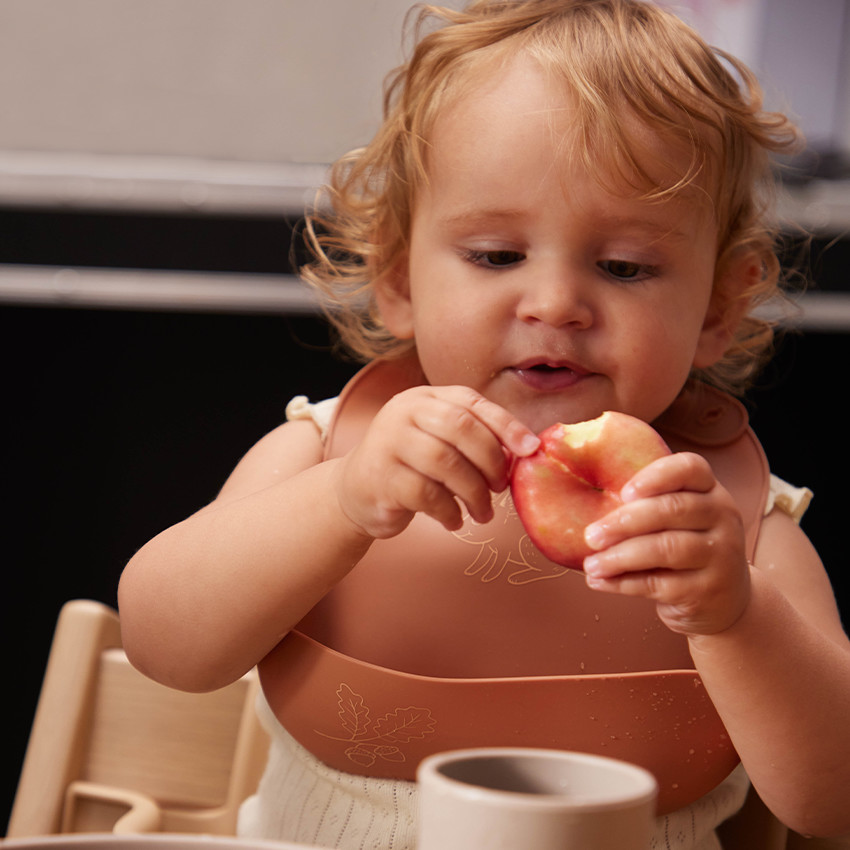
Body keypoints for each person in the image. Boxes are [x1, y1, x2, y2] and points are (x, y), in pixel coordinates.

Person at [117, 1, 850, 848]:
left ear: (720, 304)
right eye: (497, 256)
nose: (554, 305)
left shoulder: (735, 528)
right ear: (397, 278)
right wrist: (341, 503)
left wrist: (736, 616)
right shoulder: (326, 453)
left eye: (624, 267)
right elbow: (164, 649)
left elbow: (832, 805)